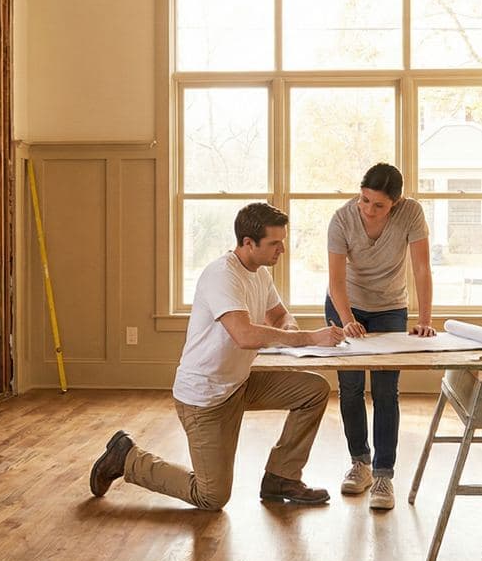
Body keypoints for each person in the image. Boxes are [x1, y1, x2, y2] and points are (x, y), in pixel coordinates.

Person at [89, 203, 344, 510]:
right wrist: (308, 338)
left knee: (313, 390)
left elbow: (278, 314)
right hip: (205, 398)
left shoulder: (260, 274)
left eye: (283, 241)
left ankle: (282, 477)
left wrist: (288, 326)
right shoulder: (222, 275)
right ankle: (127, 457)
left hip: (239, 384)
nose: (283, 250)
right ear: (248, 243)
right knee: (211, 496)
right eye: (275, 243)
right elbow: (244, 334)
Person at [324, 163, 435, 511]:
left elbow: (421, 268)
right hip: (346, 303)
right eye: (365, 200)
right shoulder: (342, 219)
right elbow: (336, 281)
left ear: (396, 203)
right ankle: (361, 463)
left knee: (386, 391)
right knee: (351, 387)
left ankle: (384, 475)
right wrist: (347, 321)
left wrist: (425, 319)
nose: (369, 210)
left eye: (379, 205)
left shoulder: (411, 213)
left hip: (389, 308)